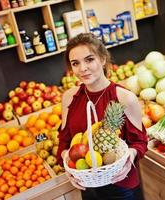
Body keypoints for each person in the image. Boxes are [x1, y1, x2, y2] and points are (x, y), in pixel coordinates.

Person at [57, 33, 148, 200]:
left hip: (122, 186)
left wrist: (130, 157)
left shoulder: (124, 98)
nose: (82, 68)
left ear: (103, 59)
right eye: (75, 63)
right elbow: (64, 142)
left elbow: (140, 141)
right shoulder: (69, 98)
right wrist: (68, 165)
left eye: (89, 59)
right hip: (87, 185)